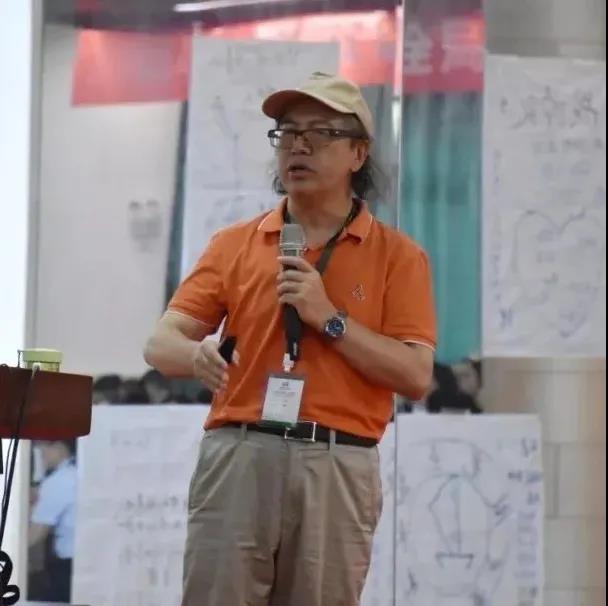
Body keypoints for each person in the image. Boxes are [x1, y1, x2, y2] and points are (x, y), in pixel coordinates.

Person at [144, 72, 437, 606]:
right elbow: (160, 344)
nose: (298, 146)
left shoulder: (399, 256)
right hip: (239, 454)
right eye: (287, 133)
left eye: (320, 133)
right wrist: (195, 353)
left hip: (337, 460)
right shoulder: (235, 243)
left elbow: (415, 375)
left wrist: (330, 319)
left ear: (358, 154)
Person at [29, 440, 77, 603]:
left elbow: (35, 534)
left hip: (68, 568)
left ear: (58, 447)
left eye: (41, 449)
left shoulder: (59, 481)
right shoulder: (76, 472)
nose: (39, 455)